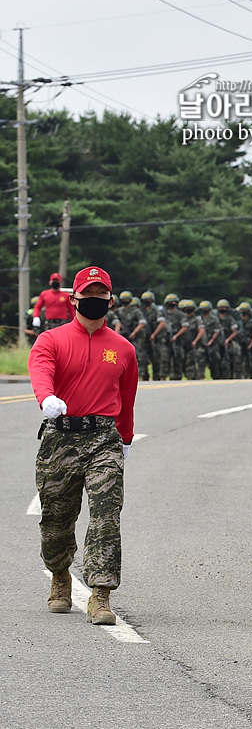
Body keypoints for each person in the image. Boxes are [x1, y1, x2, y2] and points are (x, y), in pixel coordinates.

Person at [29, 266, 138, 625]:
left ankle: (101, 595)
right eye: (87, 294)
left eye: (100, 295)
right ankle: (60, 577)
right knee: (56, 519)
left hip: (102, 438)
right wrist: (46, 398)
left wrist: (124, 440)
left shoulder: (122, 349)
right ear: (73, 298)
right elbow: (41, 370)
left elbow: (127, 398)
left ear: (110, 300)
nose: (94, 300)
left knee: (107, 514)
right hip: (60, 437)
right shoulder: (52, 339)